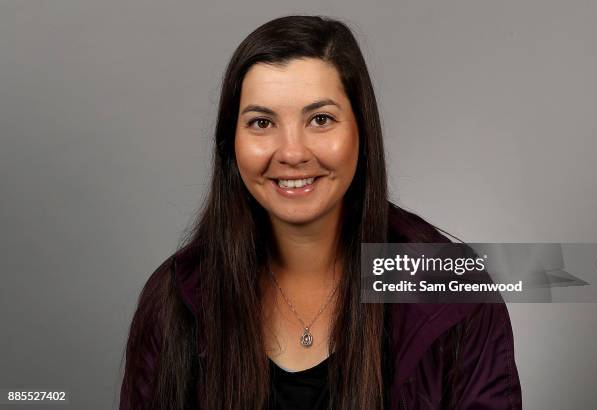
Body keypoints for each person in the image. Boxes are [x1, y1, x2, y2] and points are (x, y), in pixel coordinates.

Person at [119, 15, 522, 410]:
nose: (292, 152)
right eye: (261, 122)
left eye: (321, 119)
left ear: (361, 131)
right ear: (231, 143)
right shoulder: (174, 300)